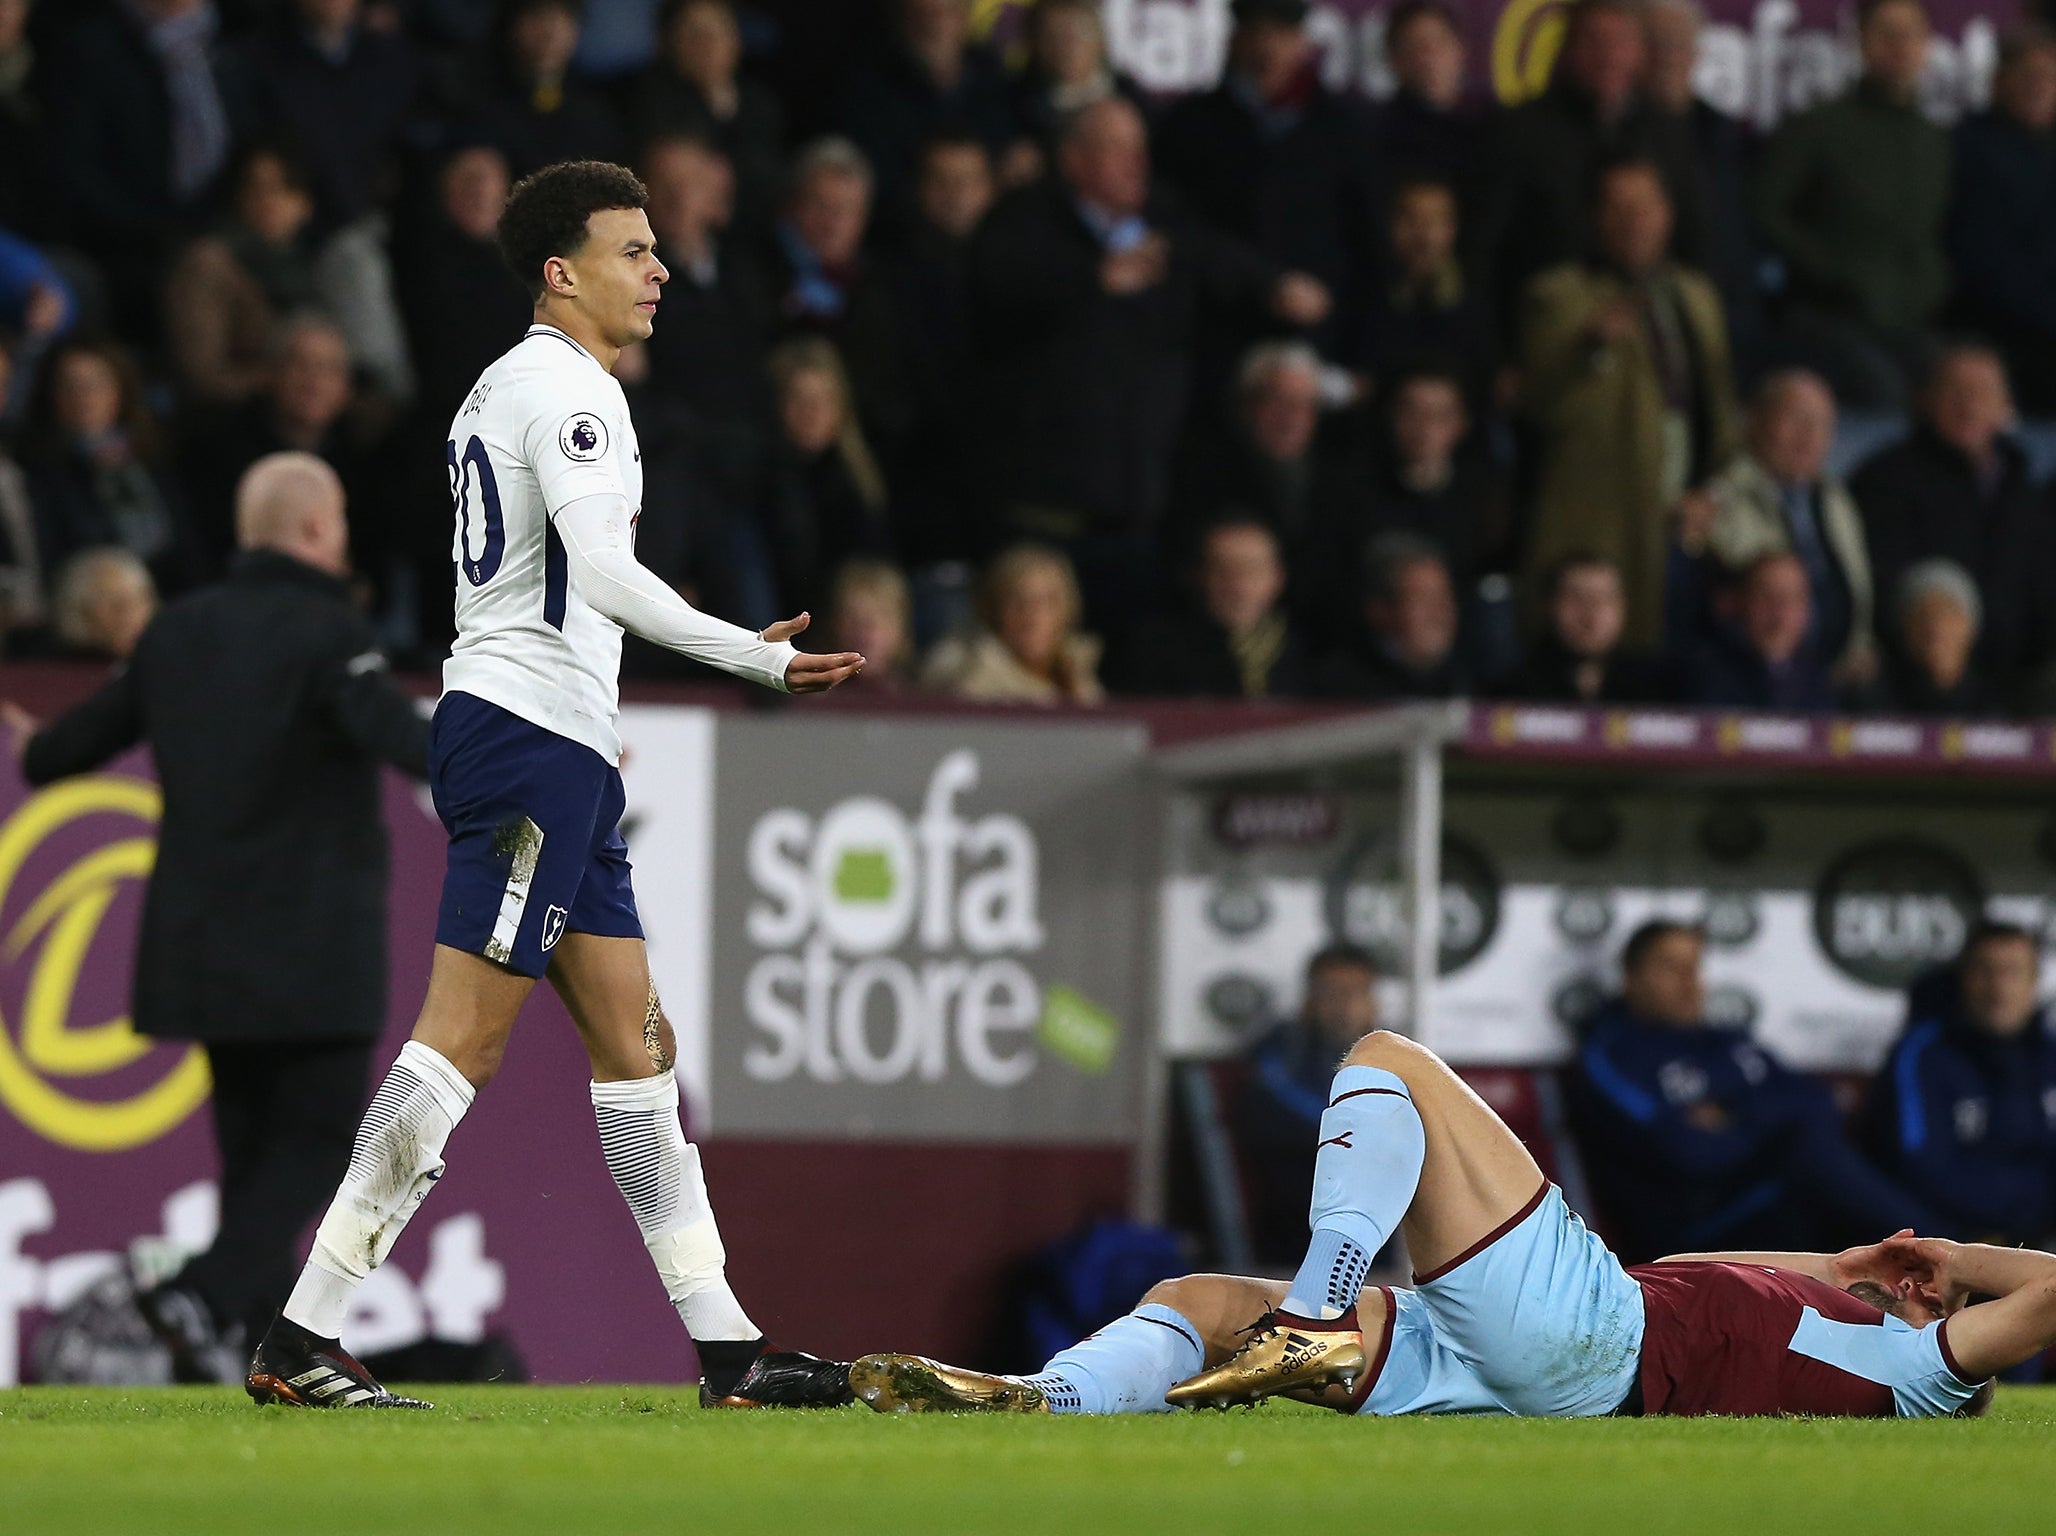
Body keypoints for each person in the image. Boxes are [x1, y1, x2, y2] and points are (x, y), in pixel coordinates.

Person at [246, 159, 863, 1412]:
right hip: (526, 735)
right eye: (633, 250)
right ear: (559, 271)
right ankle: (299, 1337)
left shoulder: (510, 388)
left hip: (555, 742)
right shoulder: (565, 390)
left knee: (637, 1048)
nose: (660, 270)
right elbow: (606, 572)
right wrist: (755, 656)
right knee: (462, 1039)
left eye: (656, 249)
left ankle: (729, 1350)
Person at [848, 1026, 2048, 1419]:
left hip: (1591, 1339)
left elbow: (2038, 1291)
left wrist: (1960, 1257)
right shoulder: (1813, 1315)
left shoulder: (1913, 1376)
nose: (1922, 1295)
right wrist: (1850, 1259)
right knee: (1205, 1303)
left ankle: (1313, 1314)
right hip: (1519, 1364)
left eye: (1938, 1308)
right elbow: (1693, 1270)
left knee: (1387, 1060)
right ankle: (1044, 1399)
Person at [1, 454, 428, 1380]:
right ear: (317, 528)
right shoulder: (329, 631)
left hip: (204, 953)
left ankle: (256, 1352)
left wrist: (40, 745)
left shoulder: (177, 632)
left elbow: (67, 748)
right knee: (314, 1149)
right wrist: (523, 769)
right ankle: (198, 1297)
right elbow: (404, 740)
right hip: (312, 952)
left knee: (251, 1168)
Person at [968, 96, 1328, 624]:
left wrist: (1274, 286)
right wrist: (1092, 281)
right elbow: (998, 290)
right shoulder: (1024, 219)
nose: (1135, 162)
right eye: (1116, 149)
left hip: (1137, 517)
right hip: (1041, 519)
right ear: (1073, 160)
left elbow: (1214, 258)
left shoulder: (1165, 220)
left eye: (1139, 148)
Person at [1572, 921, 1943, 1264]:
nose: (1689, 982)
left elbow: (1819, 1104)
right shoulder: (1613, 1055)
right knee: (1807, 1157)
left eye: (1694, 967)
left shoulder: (1726, 1042)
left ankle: (1938, 1257)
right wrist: (1767, 1130)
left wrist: (1735, 1113)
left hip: (1770, 1198)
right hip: (1687, 1229)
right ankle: (1945, 1250)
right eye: (1670, 967)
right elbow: (1690, 1154)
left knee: (1814, 1163)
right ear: (1630, 977)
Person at [1521, 156, 1739, 653]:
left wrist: (1713, 491)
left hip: (1690, 527)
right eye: (1619, 208)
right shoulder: (1560, 298)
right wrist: (1589, 347)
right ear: (1596, 219)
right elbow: (1538, 405)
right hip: (1602, 529)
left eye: (1645, 206)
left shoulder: (1696, 295)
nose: (1634, 220)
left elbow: (1719, 409)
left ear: (1668, 214)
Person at [1477, 0, 1711, 340]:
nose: (1608, 55)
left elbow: (1695, 247)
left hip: (1652, 340)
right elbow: (1485, 255)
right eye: (1595, 41)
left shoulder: (1669, 134)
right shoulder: (1518, 132)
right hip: (1544, 336)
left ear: (1639, 51)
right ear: (1569, 49)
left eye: (1620, 42)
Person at [1754, 0, 1948, 409]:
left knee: (1961, 390)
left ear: (1927, 44)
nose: (1899, 45)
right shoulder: (1816, 127)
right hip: (1829, 319)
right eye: (1886, 33)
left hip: (1912, 322)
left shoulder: (1935, 140)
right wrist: (1834, 272)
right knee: (1882, 393)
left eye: (1911, 33)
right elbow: (1765, 213)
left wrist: (1934, 281)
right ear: (1860, 42)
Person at [1154, 0, 1379, 349]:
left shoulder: (1344, 126)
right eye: (1259, 32)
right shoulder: (1192, 123)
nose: (1270, 47)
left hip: (1319, 333)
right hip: (1213, 333)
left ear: (1305, 42)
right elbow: (1175, 225)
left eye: (1283, 33)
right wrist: (1259, 282)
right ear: (1236, 39)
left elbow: (1369, 239)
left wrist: (1357, 343)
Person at [1849, 345, 2054, 701]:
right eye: (1955, 390)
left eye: (1984, 391)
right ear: (1924, 400)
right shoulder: (1886, 478)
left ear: (2007, 408)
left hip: (2016, 678)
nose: (1969, 403)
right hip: (1913, 676)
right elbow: (1875, 586)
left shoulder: (2024, 490)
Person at [1870, 923, 2056, 1247]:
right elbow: (1922, 1165)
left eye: (2013, 973)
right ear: (1964, 979)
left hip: (2037, 1234)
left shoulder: (2048, 1053)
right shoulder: (1925, 1053)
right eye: (1986, 972)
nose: (1999, 989)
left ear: (2034, 982)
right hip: (1943, 1237)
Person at [1705, 370, 1875, 686]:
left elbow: (1855, 584)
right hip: (1753, 678)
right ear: (1754, 420)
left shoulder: (1837, 500)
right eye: (1795, 418)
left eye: (1822, 424)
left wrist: (1859, 647)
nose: (1808, 434)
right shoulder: (1718, 498)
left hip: (1838, 675)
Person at [1234, 944, 1382, 1265]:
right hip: (1296, 1217)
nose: (1345, 1006)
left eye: (1356, 993)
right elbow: (1283, 1118)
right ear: (1309, 1000)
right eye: (1332, 993)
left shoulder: (1393, 1056)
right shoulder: (1280, 1054)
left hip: (1377, 1228)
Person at [24, 337, 198, 591]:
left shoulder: (155, 454)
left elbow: (187, 543)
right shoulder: (39, 470)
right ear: (50, 395)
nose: (83, 398)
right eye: (69, 386)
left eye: (96, 384)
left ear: (121, 388)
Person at [1949, 27, 2056, 413]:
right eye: (2028, 75)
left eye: (2049, 76)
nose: (2039, 87)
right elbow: (1980, 256)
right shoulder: (1969, 146)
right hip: (1995, 326)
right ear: (1998, 82)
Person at [1109, 516, 1314, 700]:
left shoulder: (1308, 654)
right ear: (1197, 576)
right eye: (1223, 570)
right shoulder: (1153, 651)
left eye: (1251, 570)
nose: (1238, 586)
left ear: (1277, 578)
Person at [627, 0, 784, 240]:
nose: (706, 42)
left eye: (717, 30)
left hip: (755, 238)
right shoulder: (651, 103)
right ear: (670, 43)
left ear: (736, 39)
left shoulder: (761, 105)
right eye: (692, 32)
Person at [922, 542, 1103, 705]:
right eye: (1019, 603)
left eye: (1048, 601)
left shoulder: (1079, 676)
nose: (1033, 617)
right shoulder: (965, 678)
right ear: (993, 611)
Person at [1316, 534, 1468, 701]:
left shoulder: (1471, 679)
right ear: (1380, 610)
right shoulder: (1337, 690)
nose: (1439, 612)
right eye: (1422, 599)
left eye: (1445, 598)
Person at [1500, 554, 1667, 704]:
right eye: (1576, 598)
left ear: (1623, 608)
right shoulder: (1511, 687)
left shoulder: (1658, 687)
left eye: (1604, 599)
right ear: (1548, 606)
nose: (1590, 615)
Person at [1878, 560, 1997, 716]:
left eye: (1947, 614)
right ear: (1904, 629)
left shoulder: (1995, 708)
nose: (1936, 629)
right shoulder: (1876, 704)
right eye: (1923, 616)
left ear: (1971, 626)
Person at [48, 545, 159, 662]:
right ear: (81, 613)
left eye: (140, 599)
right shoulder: (59, 671)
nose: (130, 613)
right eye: (113, 602)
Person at [824, 557, 915, 691]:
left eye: (882, 615)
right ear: (834, 622)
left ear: (902, 625)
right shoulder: (805, 698)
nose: (866, 630)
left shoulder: (931, 693)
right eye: (852, 618)